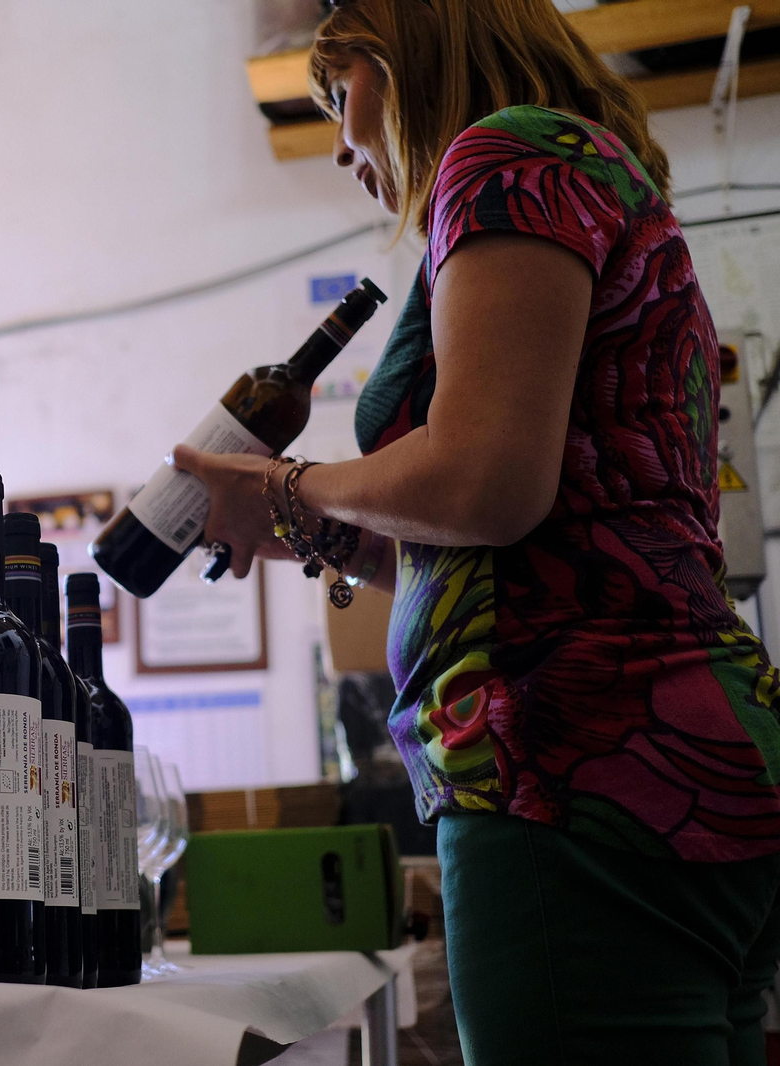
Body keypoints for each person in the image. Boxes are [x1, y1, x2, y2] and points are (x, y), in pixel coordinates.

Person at [173, 1, 780, 1061]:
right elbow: (529, 531)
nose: (342, 144)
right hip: (685, 762)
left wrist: (286, 485)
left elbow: (488, 480)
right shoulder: (589, 178)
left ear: (407, 48)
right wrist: (310, 526)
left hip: (570, 768)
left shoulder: (501, 159)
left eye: (341, 92)